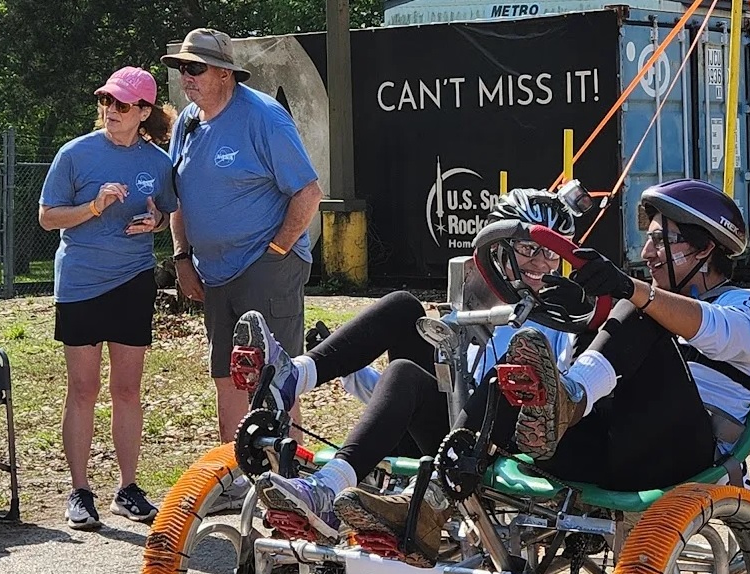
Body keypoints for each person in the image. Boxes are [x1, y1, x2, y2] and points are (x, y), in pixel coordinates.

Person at [336, 180, 750, 560]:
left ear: (705, 248)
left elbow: (712, 328)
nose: (647, 251)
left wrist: (629, 293)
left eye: (662, 239)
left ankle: (572, 398)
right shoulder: (646, 304)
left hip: (680, 453)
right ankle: (428, 505)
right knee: (508, 379)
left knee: (640, 312)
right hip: (603, 446)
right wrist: (585, 318)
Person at [238, 189, 581, 545]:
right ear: (499, 246)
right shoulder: (471, 299)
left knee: (494, 371)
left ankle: (329, 488)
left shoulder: (562, 314)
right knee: (404, 309)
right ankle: (293, 380)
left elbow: (559, 406)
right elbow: (400, 394)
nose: (542, 263)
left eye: (552, 253)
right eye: (529, 249)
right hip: (444, 431)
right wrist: (352, 374)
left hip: (490, 449)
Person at [162, 28, 324, 444]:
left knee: (273, 375)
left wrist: (276, 251)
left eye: (195, 68)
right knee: (227, 376)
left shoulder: (263, 117)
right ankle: (236, 475)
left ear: (225, 74)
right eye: (182, 67)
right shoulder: (187, 122)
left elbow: (308, 192)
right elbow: (179, 196)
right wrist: (182, 259)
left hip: (264, 266)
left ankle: (288, 477)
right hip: (213, 274)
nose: (186, 76)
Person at [38, 67, 179, 530]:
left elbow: (166, 215)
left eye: (120, 105)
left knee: (127, 390)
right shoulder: (75, 154)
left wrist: (154, 222)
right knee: (82, 389)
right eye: (105, 102)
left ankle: (127, 488)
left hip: (133, 282)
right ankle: (80, 491)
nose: (109, 112)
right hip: (80, 284)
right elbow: (47, 218)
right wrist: (94, 207)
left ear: (143, 112)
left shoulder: (158, 162)